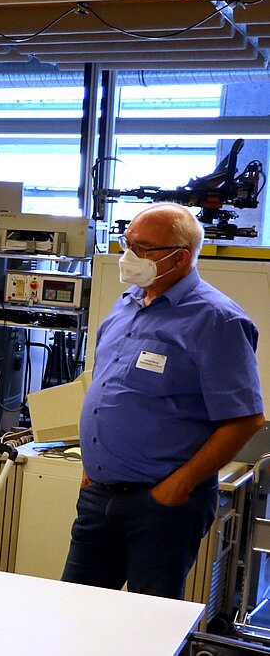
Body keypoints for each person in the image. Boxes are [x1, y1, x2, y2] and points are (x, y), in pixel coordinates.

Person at [63, 203, 264, 598]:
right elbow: (108, 388)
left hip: (162, 504)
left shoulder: (216, 320)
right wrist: (94, 463)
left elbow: (246, 419)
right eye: (127, 243)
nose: (128, 256)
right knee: (75, 609)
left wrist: (178, 486)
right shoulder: (126, 305)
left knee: (148, 624)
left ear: (180, 256)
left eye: (142, 247)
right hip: (99, 495)